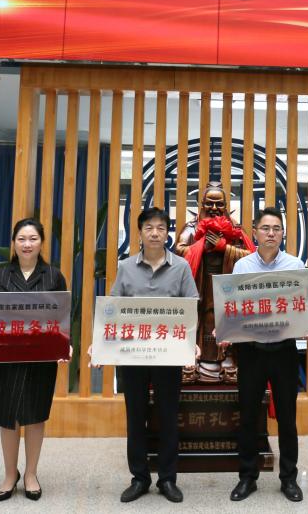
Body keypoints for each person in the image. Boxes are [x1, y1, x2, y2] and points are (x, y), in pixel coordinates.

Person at [0, 218, 67, 503]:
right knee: (8, 416)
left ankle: (31, 474)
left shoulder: (54, 276)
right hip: (5, 355)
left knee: (36, 414)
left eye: (33, 238)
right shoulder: (1, 276)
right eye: (21, 239)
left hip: (40, 357)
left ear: (41, 242)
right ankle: (10, 474)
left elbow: (62, 317)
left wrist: (64, 345)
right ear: (13, 243)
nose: (27, 244)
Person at [111, 207, 199, 504]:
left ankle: (167, 479)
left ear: (167, 233)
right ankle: (139, 478)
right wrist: (100, 343)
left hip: (168, 353)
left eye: (161, 228)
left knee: (168, 416)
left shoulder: (181, 267)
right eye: (149, 227)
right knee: (135, 416)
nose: (155, 233)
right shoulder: (125, 267)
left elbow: (192, 306)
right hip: (132, 355)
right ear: (139, 233)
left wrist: (191, 343)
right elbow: (113, 308)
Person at [226, 207, 307, 503]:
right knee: (248, 416)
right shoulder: (242, 267)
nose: (271, 233)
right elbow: (233, 306)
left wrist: (307, 325)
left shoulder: (295, 265)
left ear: (283, 233)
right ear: (255, 232)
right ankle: (248, 477)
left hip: (284, 350)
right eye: (265, 228)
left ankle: (289, 478)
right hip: (251, 351)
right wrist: (226, 328)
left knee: (287, 418)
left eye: (276, 228)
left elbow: (303, 305)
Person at [175, 181, 254, 384]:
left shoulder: (235, 229)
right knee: (202, 316)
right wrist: (200, 247)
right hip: (199, 282)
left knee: (225, 315)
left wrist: (223, 248)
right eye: (209, 203)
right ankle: (194, 356)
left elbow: (250, 257)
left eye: (219, 204)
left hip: (228, 283)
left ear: (226, 206)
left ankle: (227, 357)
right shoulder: (191, 227)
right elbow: (179, 251)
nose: (214, 208)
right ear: (201, 204)